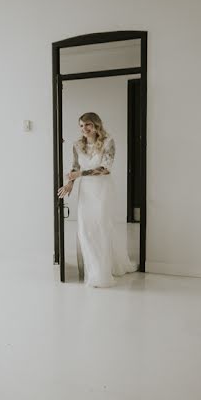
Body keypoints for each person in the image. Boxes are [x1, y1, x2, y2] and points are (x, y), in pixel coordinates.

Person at [57, 112, 136, 287]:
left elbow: (106, 168)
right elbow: (75, 167)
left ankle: (103, 271)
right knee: (85, 229)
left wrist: (80, 174)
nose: (84, 129)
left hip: (103, 190)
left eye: (87, 125)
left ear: (96, 125)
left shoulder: (108, 142)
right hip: (86, 191)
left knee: (101, 226)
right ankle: (92, 270)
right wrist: (70, 182)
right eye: (81, 125)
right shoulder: (77, 145)